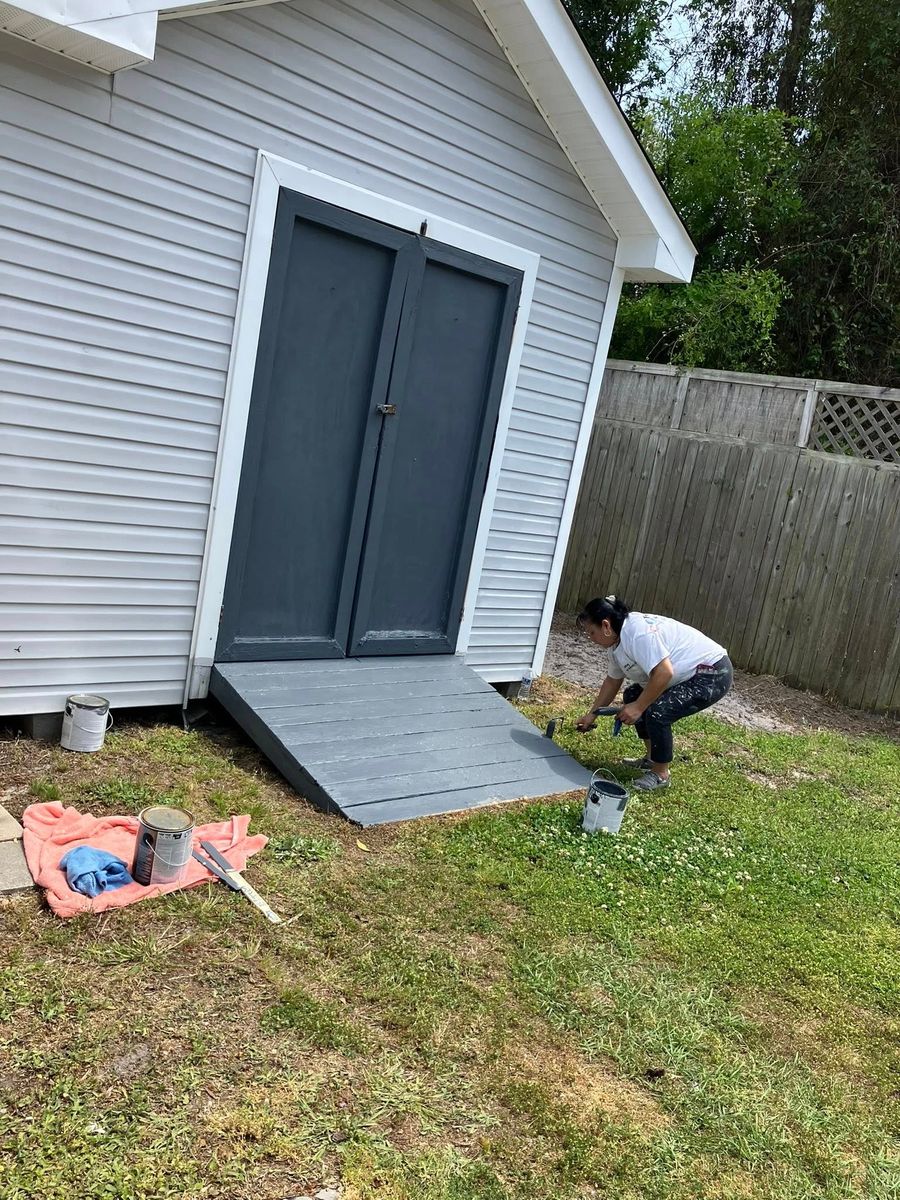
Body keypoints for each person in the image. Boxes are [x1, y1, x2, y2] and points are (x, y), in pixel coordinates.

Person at [575, 596, 733, 791]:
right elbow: (612, 681)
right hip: (686, 674)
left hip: (712, 672)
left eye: (592, 632)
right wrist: (592, 714)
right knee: (633, 695)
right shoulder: (616, 644)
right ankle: (651, 760)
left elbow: (664, 672)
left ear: (606, 626)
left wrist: (639, 707)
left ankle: (661, 774)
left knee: (658, 711)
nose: (591, 639)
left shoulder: (637, 634)